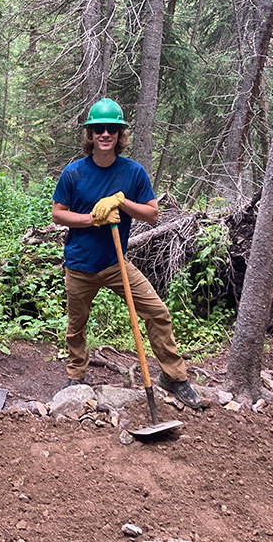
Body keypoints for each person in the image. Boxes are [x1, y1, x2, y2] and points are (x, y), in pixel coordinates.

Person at [51, 98, 202, 409]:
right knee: (76, 324)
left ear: (120, 135)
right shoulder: (74, 173)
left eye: (112, 129)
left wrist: (121, 202)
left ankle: (173, 377)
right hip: (79, 264)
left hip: (116, 263)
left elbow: (152, 215)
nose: (105, 134)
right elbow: (58, 215)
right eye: (99, 129)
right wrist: (93, 219)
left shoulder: (133, 173)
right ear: (90, 134)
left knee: (157, 312)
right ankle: (75, 375)